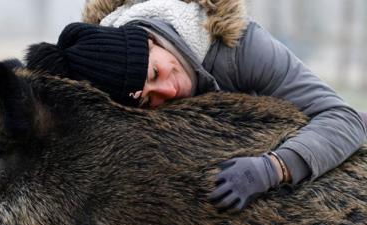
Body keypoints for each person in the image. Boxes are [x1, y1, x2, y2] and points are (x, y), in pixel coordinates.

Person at [26, 0, 367, 212]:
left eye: (156, 72)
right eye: (149, 99)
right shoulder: (101, 82)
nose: (170, 89)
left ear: (150, 39)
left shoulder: (240, 46)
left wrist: (273, 168)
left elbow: (344, 118)